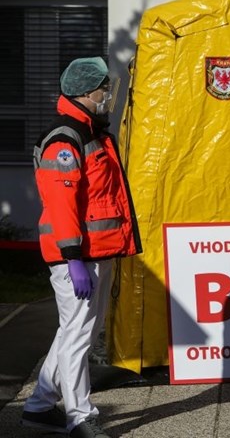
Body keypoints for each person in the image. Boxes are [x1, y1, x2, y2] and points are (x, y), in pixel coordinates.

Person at [21, 57, 142, 438]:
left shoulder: (91, 132)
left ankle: (40, 407)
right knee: (78, 336)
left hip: (94, 251)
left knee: (74, 331)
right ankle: (80, 416)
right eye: (104, 89)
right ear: (87, 92)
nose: (107, 94)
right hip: (78, 255)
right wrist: (72, 258)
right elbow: (62, 204)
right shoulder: (66, 137)